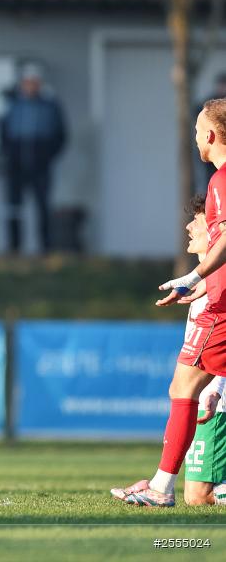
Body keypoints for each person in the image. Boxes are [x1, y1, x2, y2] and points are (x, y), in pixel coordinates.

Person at [111, 99, 226, 507]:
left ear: (210, 136)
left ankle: (161, 488)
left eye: (197, 130)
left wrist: (198, 275)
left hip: (223, 307)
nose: (195, 137)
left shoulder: (222, 180)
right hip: (217, 295)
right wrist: (203, 285)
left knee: (185, 385)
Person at [175, 194, 226, 505]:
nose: (188, 227)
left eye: (196, 220)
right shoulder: (209, 281)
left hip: (217, 400)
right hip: (211, 396)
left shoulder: (220, 285)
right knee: (199, 494)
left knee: (198, 496)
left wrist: (215, 388)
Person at [0, 63, 66, 254]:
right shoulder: (12, 105)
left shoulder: (50, 106)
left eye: (34, 82)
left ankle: (46, 248)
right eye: (27, 82)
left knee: (43, 207)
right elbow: (3, 132)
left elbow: (61, 136)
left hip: (41, 164)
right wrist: (9, 154)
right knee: (14, 207)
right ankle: (14, 248)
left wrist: (47, 155)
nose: (30, 86)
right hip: (16, 163)